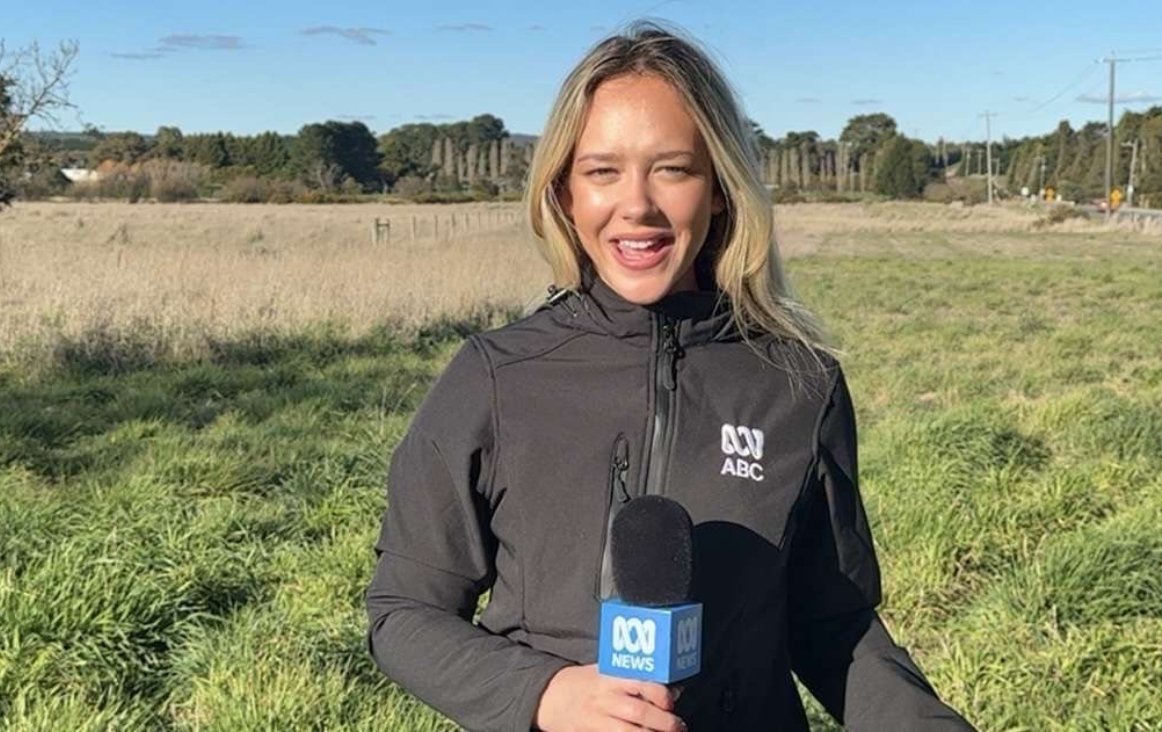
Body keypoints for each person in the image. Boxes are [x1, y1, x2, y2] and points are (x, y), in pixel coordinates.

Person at [366, 21, 973, 732]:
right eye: (602, 171)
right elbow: (403, 613)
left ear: (719, 187)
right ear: (564, 192)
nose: (637, 206)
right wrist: (545, 695)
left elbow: (833, 624)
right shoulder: (494, 378)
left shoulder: (799, 386)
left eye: (673, 168)